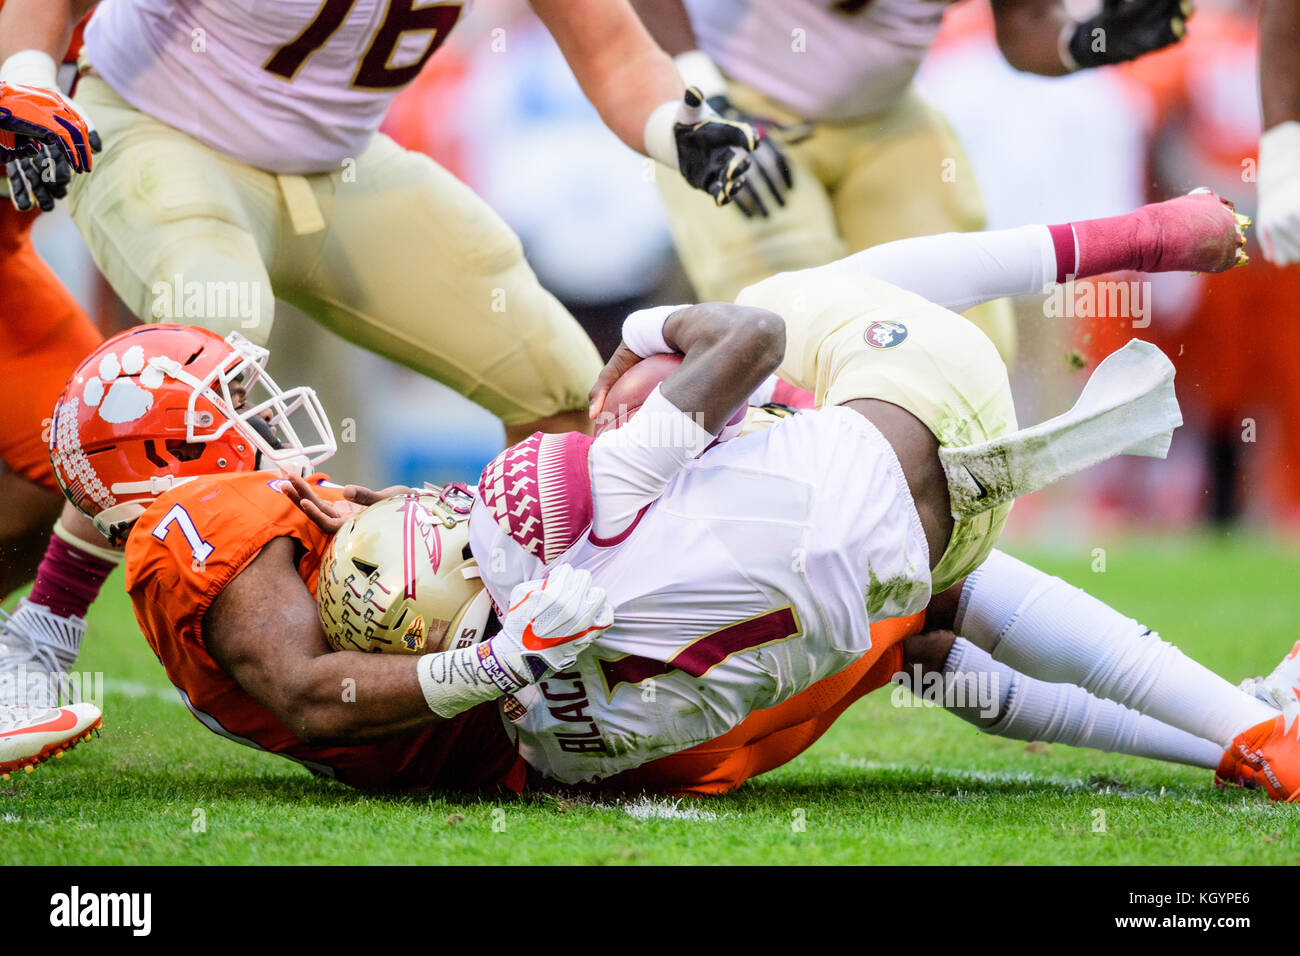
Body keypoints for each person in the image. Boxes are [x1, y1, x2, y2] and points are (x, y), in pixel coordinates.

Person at [35, 188, 1296, 801]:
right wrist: (652, 356)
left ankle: (1239, 728)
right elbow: (313, 694)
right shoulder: (219, 529)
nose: (265, 429)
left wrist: (40, 629)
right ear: (177, 471)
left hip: (606, 735)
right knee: (831, 304)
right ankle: (1242, 726)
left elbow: (116, 513)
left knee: (930, 626)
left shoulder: (184, 527)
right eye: (226, 417)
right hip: (575, 671)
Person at [0, 0, 768, 710]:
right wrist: (27, 77)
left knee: (559, 378)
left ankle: (531, 638)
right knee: (206, 340)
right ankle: (43, 633)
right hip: (156, 126)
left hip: (337, 163)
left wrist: (679, 126)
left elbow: (613, 50)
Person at [630, 0, 1194, 362]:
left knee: (964, 340)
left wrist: (1086, 40)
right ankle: (801, 524)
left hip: (883, 114)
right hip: (735, 106)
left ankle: (939, 531)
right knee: (792, 328)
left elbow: (1025, 26)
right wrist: (703, 91)